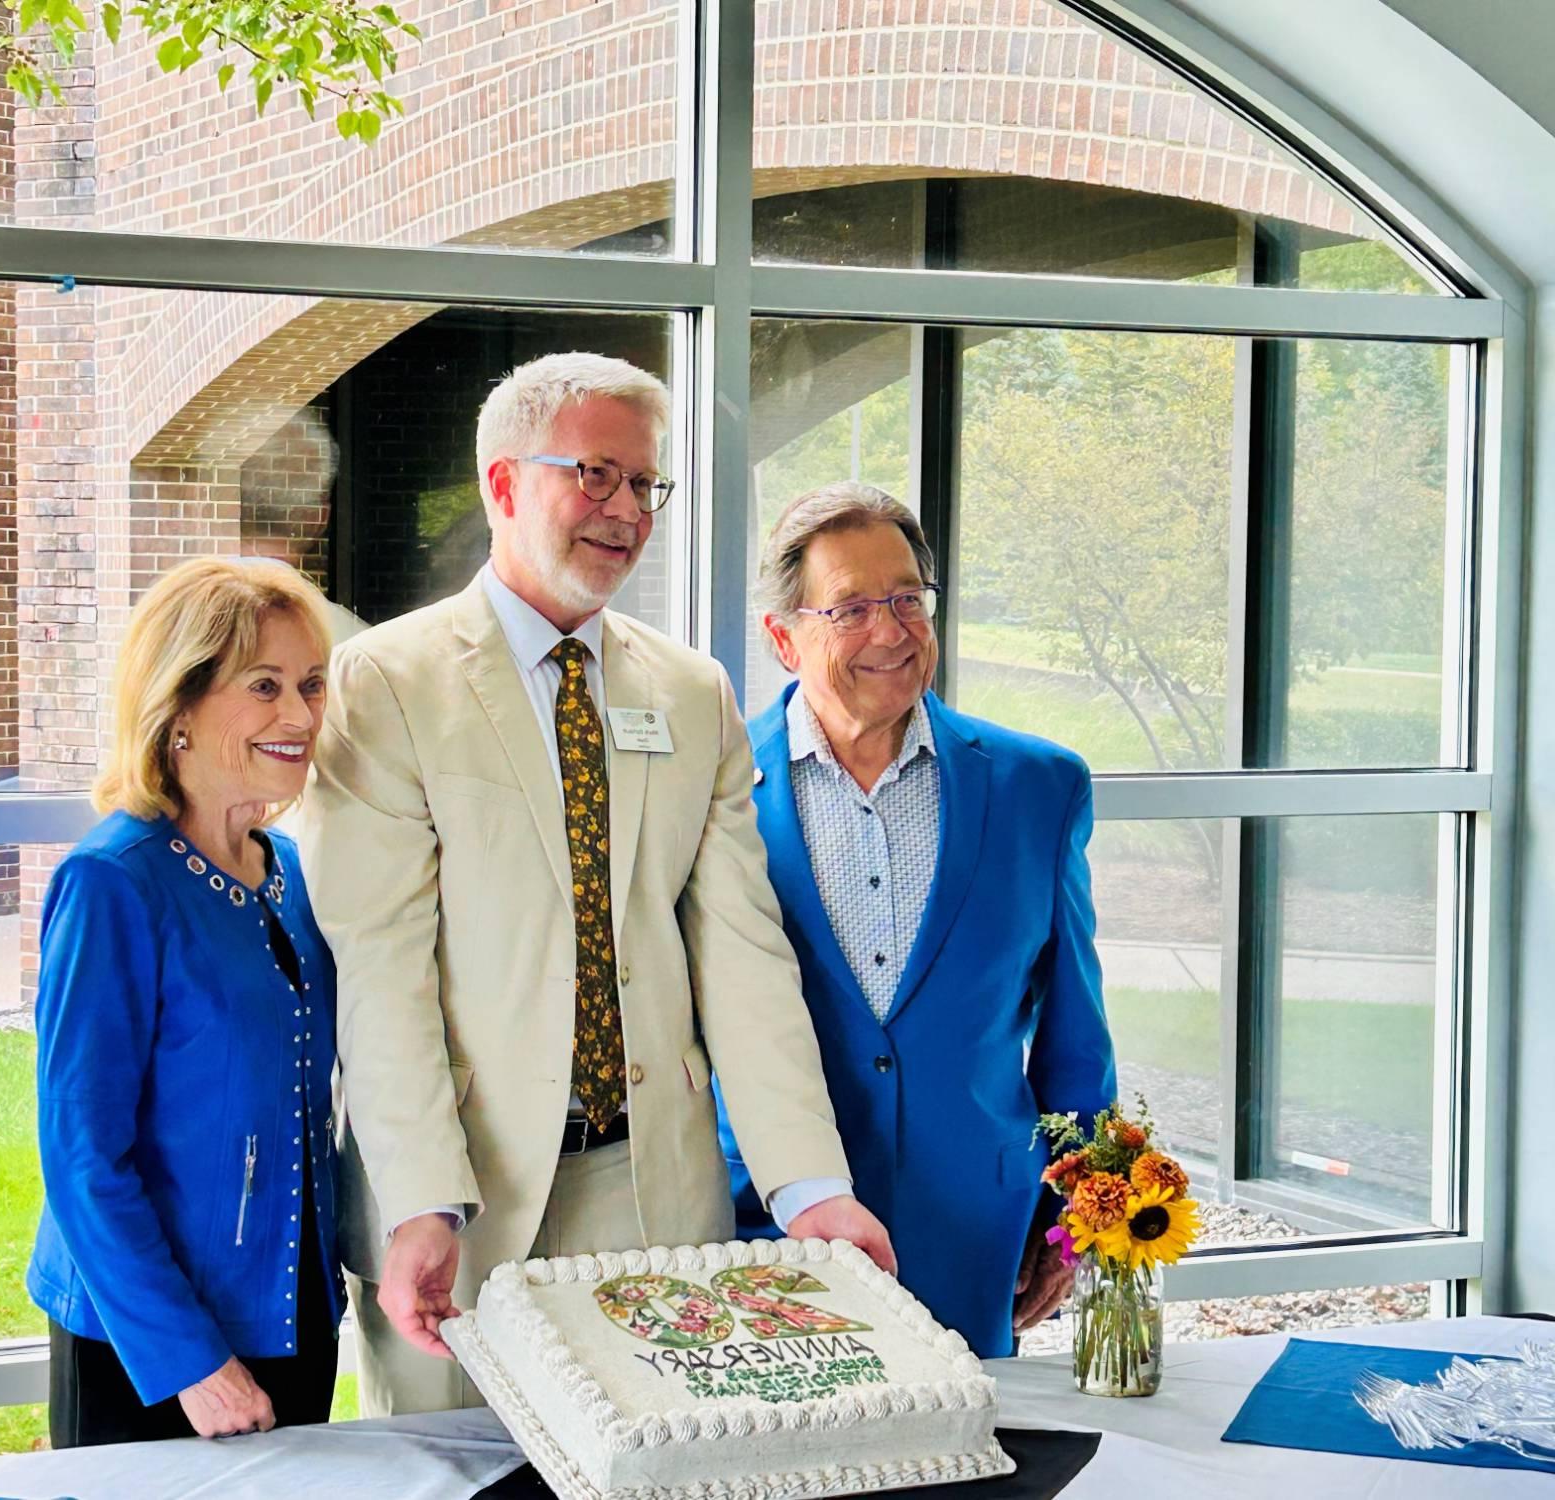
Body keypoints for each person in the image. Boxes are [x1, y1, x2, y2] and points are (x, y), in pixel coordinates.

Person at [299, 352, 894, 1416]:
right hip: (464, 1204)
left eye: (643, 484)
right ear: (501, 485)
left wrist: (811, 1189)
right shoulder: (384, 683)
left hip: (655, 1190)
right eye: (594, 474)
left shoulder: (691, 691)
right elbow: (378, 971)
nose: (624, 510)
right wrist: (420, 1198)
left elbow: (743, 959)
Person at [717, 482, 1118, 1359]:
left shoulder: (1036, 787)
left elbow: (1075, 1039)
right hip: (765, 1232)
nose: (891, 632)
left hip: (976, 1235)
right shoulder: (711, 788)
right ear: (783, 638)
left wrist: (1073, 1217)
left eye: (907, 599)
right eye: (852, 608)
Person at [25, 557, 344, 1447]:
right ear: (180, 709)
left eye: (311, 686)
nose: (301, 716)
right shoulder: (113, 883)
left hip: (290, 1316)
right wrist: (191, 1360)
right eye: (266, 686)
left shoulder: (280, 870)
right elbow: (82, 1157)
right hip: (153, 1345)